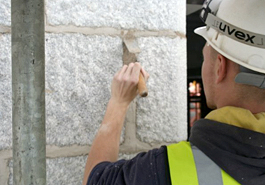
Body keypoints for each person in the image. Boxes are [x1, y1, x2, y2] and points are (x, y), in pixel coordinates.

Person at [82, 0, 265, 184]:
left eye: (205, 57)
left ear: (220, 67)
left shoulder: (163, 170)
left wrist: (118, 103)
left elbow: (97, 180)